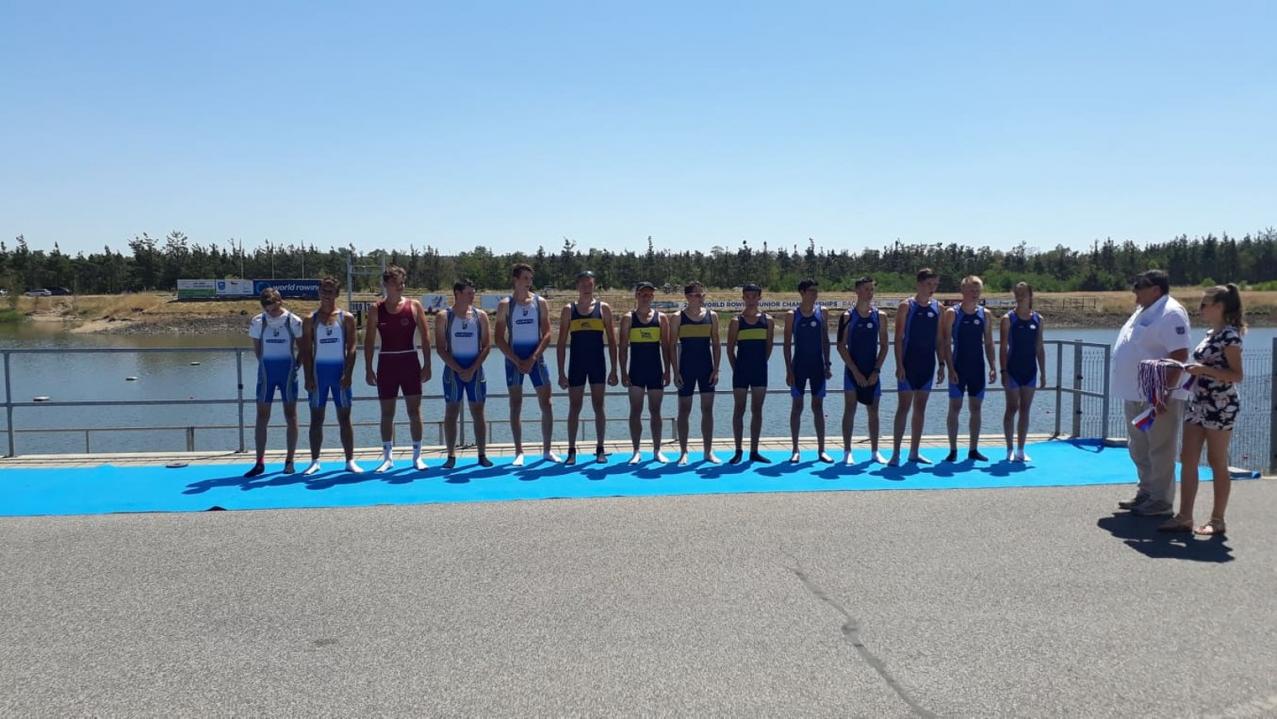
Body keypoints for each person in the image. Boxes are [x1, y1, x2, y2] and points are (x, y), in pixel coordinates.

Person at [1159, 285, 1245, 536]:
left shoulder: (1230, 336)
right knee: (1188, 458)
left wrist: (1204, 370)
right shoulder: (1210, 334)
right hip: (1198, 402)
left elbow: (1237, 375)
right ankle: (1184, 516)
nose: (1200, 309)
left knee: (1217, 460)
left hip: (1220, 405)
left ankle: (1217, 520)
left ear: (1219, 307)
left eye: (1205, 304)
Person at [1112, 269, 1191, 517]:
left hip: (1157, 395)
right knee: (1139, 447)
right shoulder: (1144, 310)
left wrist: (1165, 392)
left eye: (1139, 287)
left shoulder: (1171, 313)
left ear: (1156, 290)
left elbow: (1179, 354)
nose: (1134, 291)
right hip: (1136, 392)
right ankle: (1146, 491)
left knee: (1160, 448)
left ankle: (1161, 500)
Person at [364, 265, 432, 472]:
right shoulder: (376, 309)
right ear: (386, 284)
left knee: (414, 411)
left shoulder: (414, 306)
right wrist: (368, 368)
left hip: (410, 362)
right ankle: (387, 458)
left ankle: (417, 457)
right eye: (396, 283)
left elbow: (426, 337)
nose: (400, 287)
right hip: (386, 364)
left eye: (402, 283)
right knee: (387, 413)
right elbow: (368, 341)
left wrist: (427, 364)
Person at [494, 263, 558, 466]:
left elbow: (547, 334)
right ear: (515, 280)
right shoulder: (506, 305)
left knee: (547, 403)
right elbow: (498, 338)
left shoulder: (540, 303)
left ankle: (547, 450)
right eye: (525, 278)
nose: (529, 282)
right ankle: (519, 451)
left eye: (530, 279)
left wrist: (533, 358)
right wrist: (517, 360)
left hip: (535, 359)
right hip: (514, 360)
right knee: (516, 404)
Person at [300, 276, 362, 476]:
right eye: (324, 291)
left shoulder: (347, 318)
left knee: (345, 418)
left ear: (337, 294)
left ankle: (350, 460)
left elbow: (352, 347)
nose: (327, 295)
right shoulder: (310, 319)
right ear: (319, 293)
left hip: (339, 374)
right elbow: (306, 351)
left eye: (331, 291)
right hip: (319, 374)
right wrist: (308, 377)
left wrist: (348, 374)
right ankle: (315, 461)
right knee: (316, 418)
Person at [556, 270, 618, 464]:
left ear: (594, 285)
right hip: (577, 365)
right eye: (582, 284)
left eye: (589, 284)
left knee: (599, 406)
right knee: (574, 407)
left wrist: (614, 369)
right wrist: (561, 373)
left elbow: (612, 341)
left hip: (597, 364)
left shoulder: (603, 308)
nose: (586, 287)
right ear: (577, 286)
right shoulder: (569, 309)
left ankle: (600, 448)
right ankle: (571, 450)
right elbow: (560, 343)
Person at [244, 287, 303, 478]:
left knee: (290, 415)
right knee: (262, 416)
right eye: (267, 309)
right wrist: (264, 366)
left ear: (280, 302)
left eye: (274, 308)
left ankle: (290, 461)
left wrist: (297, 365)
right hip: (266, 373)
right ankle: (259, 462)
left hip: (287, 373)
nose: (271, 312)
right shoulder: (257, 321)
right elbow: (257, 350)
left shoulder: (294, 321)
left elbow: (302, 347)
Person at [890, 268, 946, 466]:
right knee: (903, 407)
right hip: (908, 364)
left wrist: (941, 363)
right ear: (919, 284)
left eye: (935, 285)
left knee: (920, 408)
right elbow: (898, 338)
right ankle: (896, 453)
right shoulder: (906, 306)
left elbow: (939, 339)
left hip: (927, 365)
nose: (932, 288)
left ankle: (914, 451)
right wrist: (899, 365)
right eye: (929, 284)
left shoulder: (938, 308)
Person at [436, 279, 492, 468]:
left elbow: (486, 346)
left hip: (475, 371)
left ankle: (482, 454)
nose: (472, 296)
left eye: (473, 292)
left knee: (478, 412)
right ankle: (451, 455)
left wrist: (472, 369)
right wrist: (460, 370)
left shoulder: (480, 316)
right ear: (457, 294)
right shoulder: (444, 316)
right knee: (451, 412)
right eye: (469, 293)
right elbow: (441, 348)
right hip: (453, 372)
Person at [941, 276, 997, 462]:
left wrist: (993, 366)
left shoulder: (985, 314)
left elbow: (988, 342)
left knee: (976, 408)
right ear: (963, 291)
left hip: (977, 368)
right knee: (955, 407)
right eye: (971, 290)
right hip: (958, 366)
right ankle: (953, 449)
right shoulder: (952, 313)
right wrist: (950, 369)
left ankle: (973, 449)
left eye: (977, 291)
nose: (975, 294)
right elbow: (945, 343)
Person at [836, 276, 889, 465]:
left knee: (873, 410)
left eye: (872, 289)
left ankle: (875, 451)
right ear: (857, 291)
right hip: (853, 371)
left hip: (872, 370)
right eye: (866, 289)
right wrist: (855, 371)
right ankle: (847, 451)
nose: (870, 293)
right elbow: (840, 346)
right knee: (850, 409)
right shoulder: (847, 316)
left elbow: (884, 346)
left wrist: (876, 370)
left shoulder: (880, 316)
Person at [618, 281, 671, 464]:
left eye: (649, 294)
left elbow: (665, 347)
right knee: (636, 410)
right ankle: (636, 451)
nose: (646, 297)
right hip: (636, 371)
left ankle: (657, 450)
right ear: (637, 296)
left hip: (655, 370)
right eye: (642, 294)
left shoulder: (661, 318)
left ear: (653, 297)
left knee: (656, 411)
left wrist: (667, 370)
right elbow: (623, 348)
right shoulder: (628, 318)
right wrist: (623, 372)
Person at [670, 281, 721, 465]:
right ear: (687, 297)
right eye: (696, 295)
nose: (699, 298)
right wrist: (675, 371)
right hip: (686, 368)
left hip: (706, 368)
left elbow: (716, 344)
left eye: (701, 294)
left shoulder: (712, 316)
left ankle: (708, 451)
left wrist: (716, 369)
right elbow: (672, 346)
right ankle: (683, 452)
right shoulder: (677, 317)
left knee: (707, 410)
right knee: (684, 410)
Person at [784, 278, 833, 463]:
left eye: (816, 291)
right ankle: (795, 449)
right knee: (797, 407)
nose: (815, 294)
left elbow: (826, 340)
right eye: (811, 291)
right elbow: (787, 345)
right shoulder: (792, 315)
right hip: (799, 366)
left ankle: (822, 450)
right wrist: (789, 370)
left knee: (818, 407)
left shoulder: (822, 312)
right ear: (802, 293)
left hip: (817, 367)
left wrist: (827, 364)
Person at [726, 283, 773, 464]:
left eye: (755, 296)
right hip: (741, 371)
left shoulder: (768, 320)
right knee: (739, 409)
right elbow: (730, 349)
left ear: (760, 298)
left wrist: (760, 363)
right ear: (743, 298)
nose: (751, 300)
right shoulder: (736, 321)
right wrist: (736, 368)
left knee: (757, 410)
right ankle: (738, 450)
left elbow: (768, 347)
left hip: (760, 370)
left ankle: (754, 451)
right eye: (748, 296)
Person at [1000, 282, 1046, 462]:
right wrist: (1003, 371)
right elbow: (1003, 347)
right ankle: (1009, 448)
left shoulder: (1038, 319)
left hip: (1030, 370)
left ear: (1030, 295)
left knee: (1025, 409)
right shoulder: (1008, 319)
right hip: (1013, 369)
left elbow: (1039, 347)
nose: (1020, 297)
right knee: (1012, 408)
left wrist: (1043, 372)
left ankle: (1021, 449)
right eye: (1017, 293)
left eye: (1023, 293)